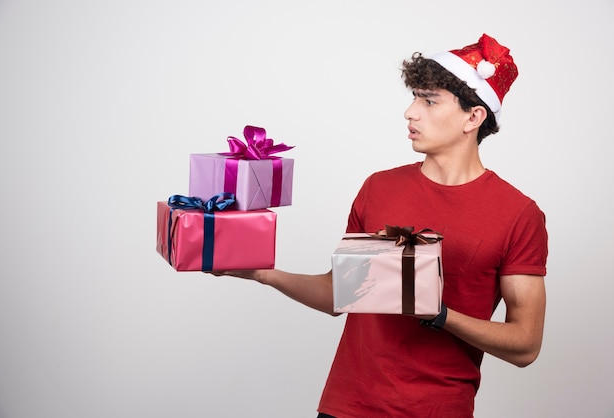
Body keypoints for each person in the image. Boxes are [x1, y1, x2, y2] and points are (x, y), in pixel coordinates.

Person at [215, 34, 548, 418]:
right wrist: (263, 274)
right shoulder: (379, 188)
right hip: (346, 406)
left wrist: (438, 314)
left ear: (473, 117)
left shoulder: (518, 214)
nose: (410, 112)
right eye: (413, 97)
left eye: (428, 100)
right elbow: (340, 293)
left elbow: (526, 344)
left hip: (437, 410)